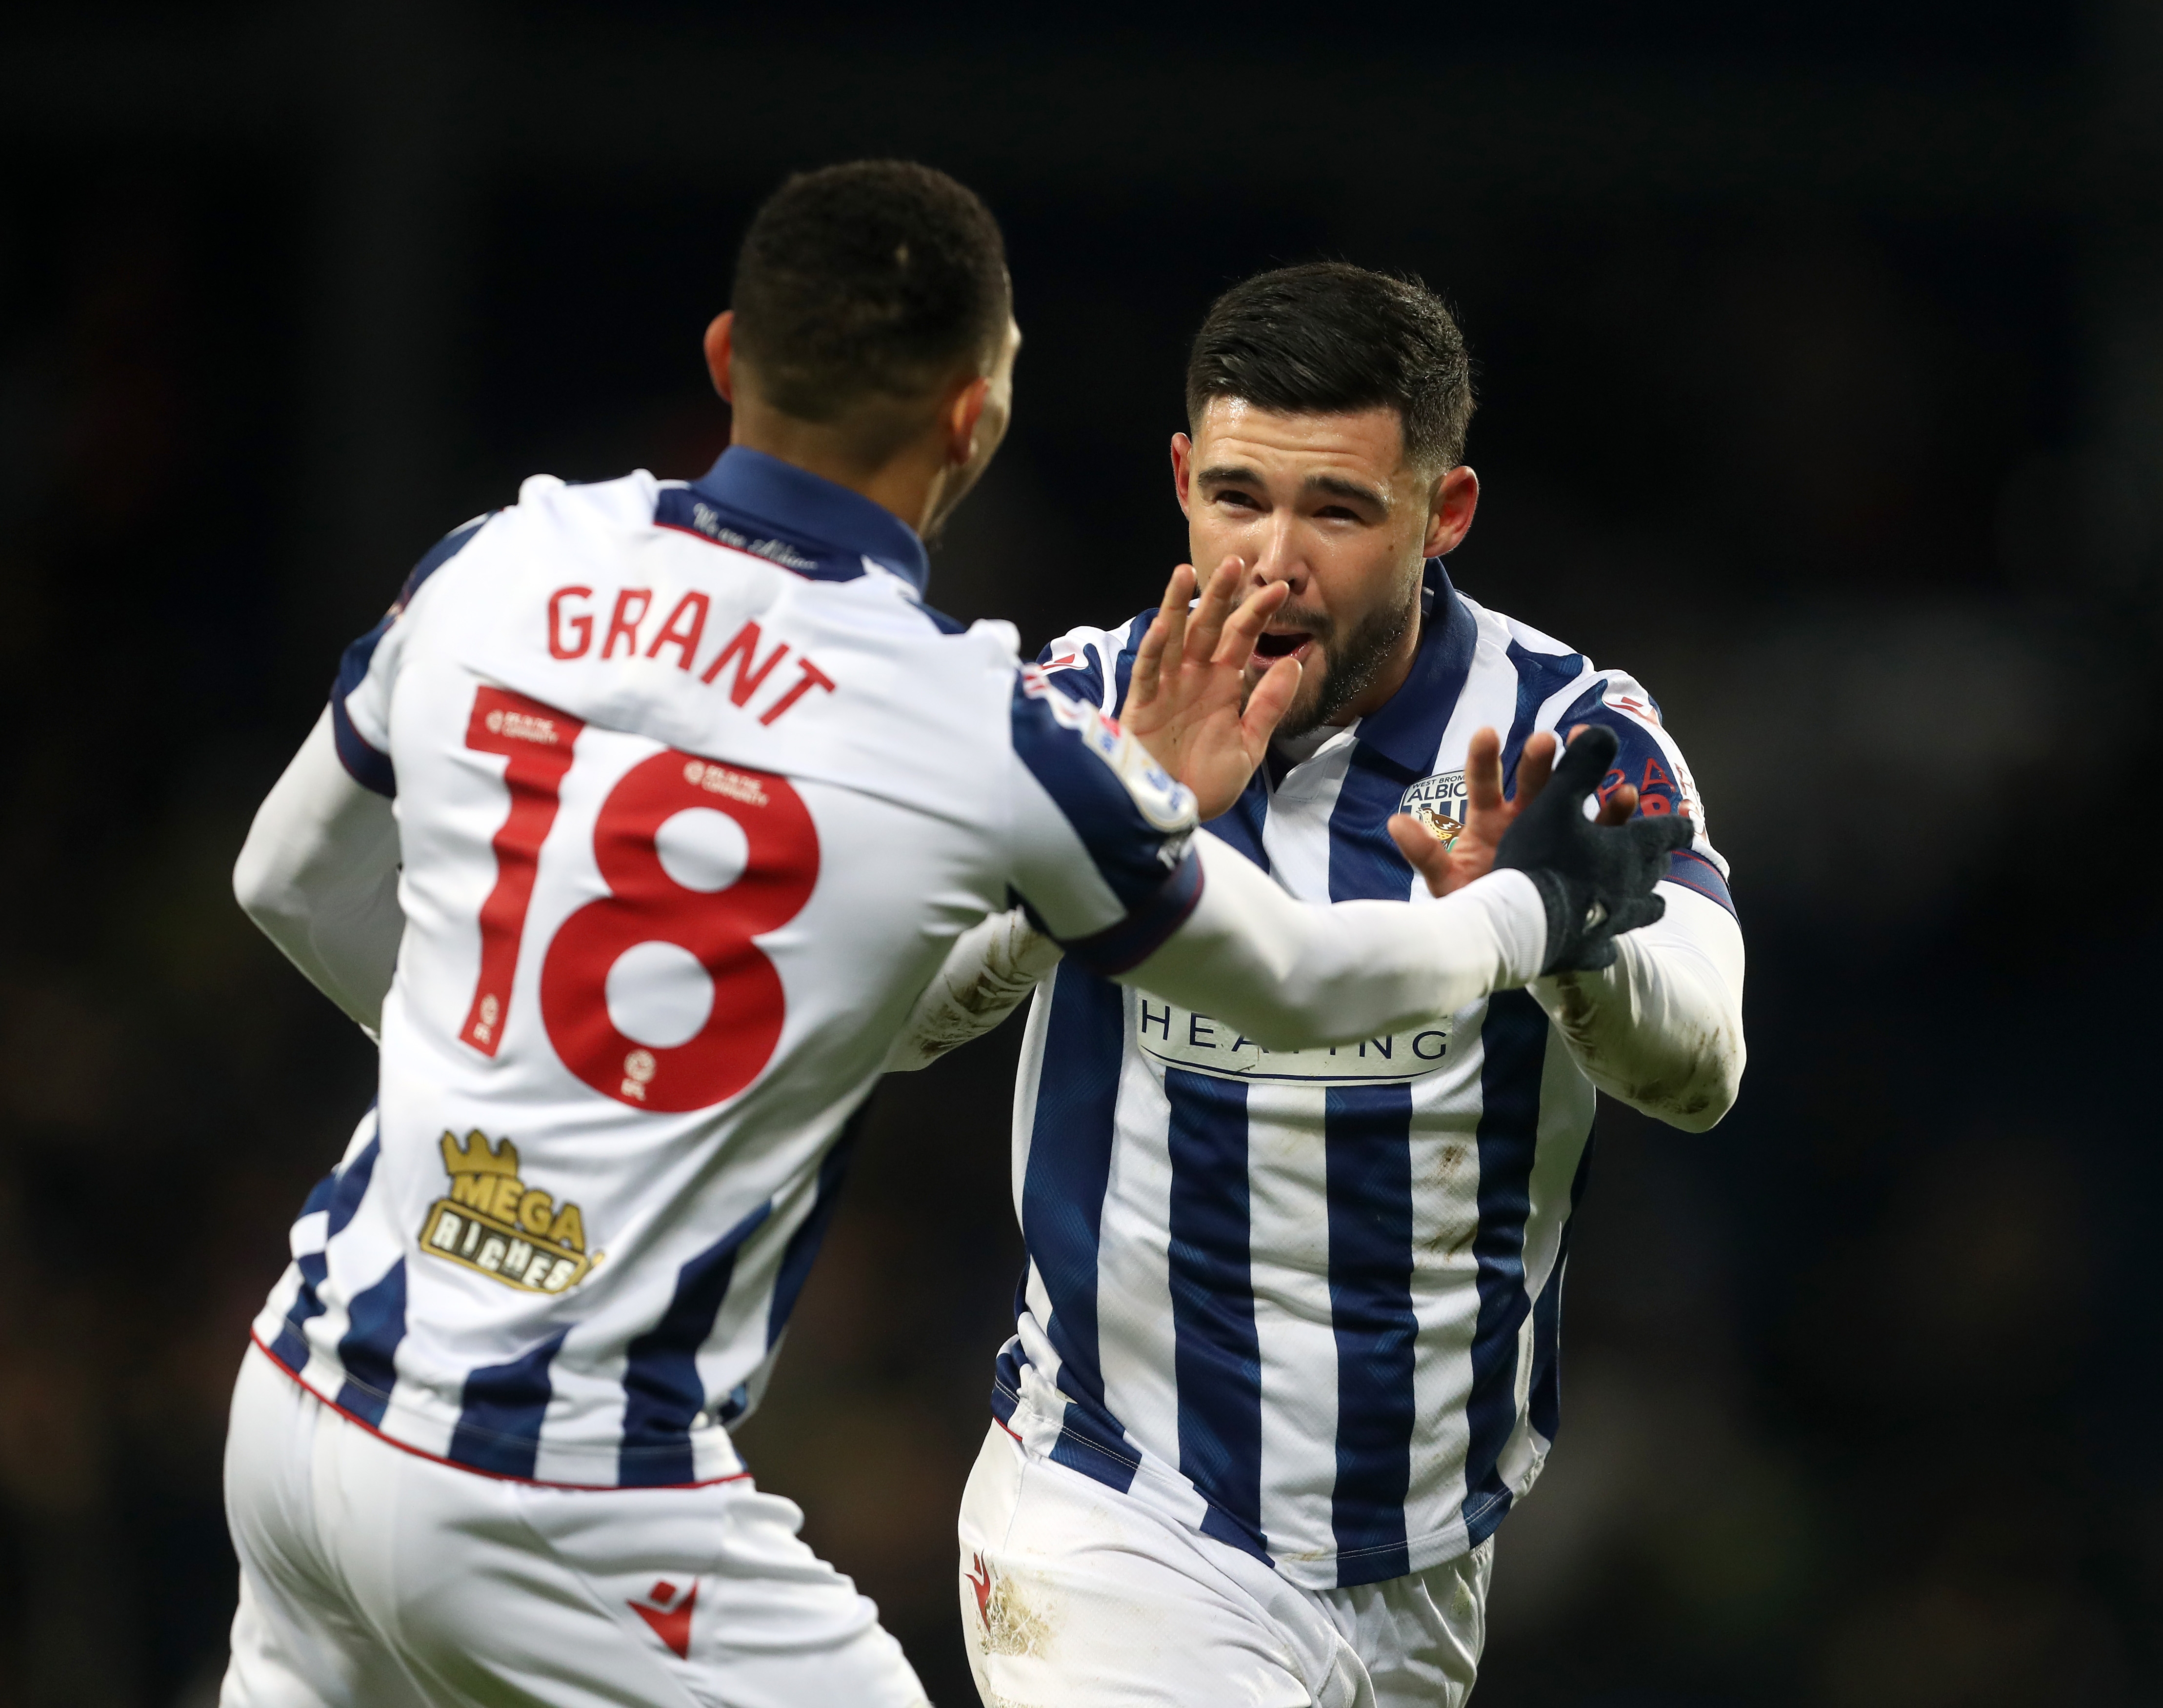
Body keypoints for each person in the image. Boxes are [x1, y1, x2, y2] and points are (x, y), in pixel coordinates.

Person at [222, 172, 1683, 1708]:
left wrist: (502, 1088)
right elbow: (1309, 982)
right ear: (976, 420)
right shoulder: (967, 719)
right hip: (567, 1480)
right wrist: (1535, 908)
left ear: (729, 360)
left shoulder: (500, 559)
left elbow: (282, 882)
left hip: (299, 1397)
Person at [890, 262, 1749, 1707]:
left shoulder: (1564, 741)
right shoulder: (1084, 706)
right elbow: (891, 1012)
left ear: (1443, 513)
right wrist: (1115, 820)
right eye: (1237, 497)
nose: (1273, 561)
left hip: (1424, 1565)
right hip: (1119, 1517)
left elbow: (1707, 1061)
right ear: (1180, 481)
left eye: (1337, 511)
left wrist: (1548, 931)